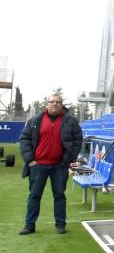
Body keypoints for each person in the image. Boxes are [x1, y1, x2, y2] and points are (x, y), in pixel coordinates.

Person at [18, 93, 83, 235]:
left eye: (58, 102)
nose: (55, 104)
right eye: (52, 101)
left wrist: (68, 159)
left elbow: (78, 140)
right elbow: (24, 139)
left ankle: (60, 224)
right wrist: (30, 160)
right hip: (38, 165)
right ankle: (29, 225)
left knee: (59, 195)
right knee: (34, 195)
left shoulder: (70, 121)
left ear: (62, 105)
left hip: (59, 166)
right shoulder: (35, 120)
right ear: (46, 104)